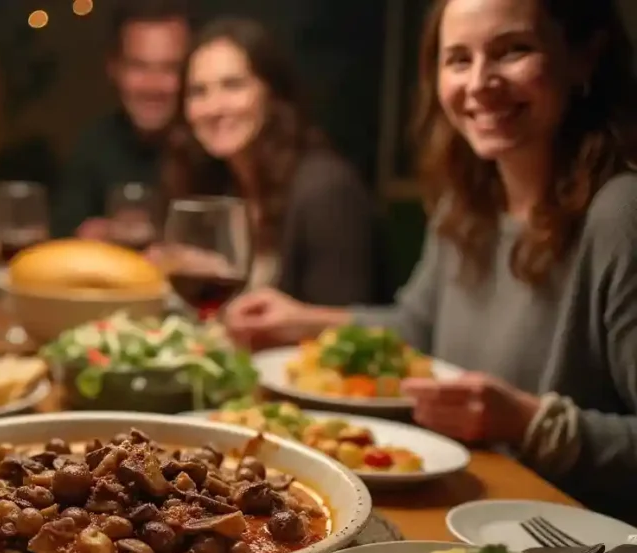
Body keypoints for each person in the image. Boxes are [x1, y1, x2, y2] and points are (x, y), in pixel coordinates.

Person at [225, 0, 637, 517]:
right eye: (459, 59)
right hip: (470, 508)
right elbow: (419, 327)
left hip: (584, 548)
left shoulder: (622, 212)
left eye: (513, 51)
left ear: (584, 57)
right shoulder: (465, 205)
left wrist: (535, 424)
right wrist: (302, 321)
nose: (480, 83)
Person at [163, 17, 381, 304]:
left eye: (233, 85)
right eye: (198, 92)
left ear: (271, 93)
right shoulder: (218, 182)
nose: (214, 107)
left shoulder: (325, 191)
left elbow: (347, 330)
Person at [51, 0, 190, 239]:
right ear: (114, 68)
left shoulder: (214, 149)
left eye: (170, 68)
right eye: (139, 66)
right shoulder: (91, 147)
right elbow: (62, 239)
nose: (153, 85)